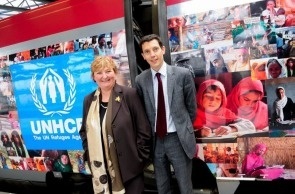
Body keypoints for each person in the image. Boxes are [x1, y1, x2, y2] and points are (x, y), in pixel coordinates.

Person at [79, 56, 151, 194]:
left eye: (108, 71)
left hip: (130, 168)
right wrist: (90, 151)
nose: (104, 76)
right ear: (93, 77)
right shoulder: (88, 100)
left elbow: (144, 129)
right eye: (99, 73)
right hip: (101, 170)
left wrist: (139, 158)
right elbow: (84, 130)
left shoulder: (129, 94)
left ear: (115, 72)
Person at [135, 34, 197, 194]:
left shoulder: (182, 74)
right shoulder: (140, 80)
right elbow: (142, 111)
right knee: (162, 188)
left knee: (185, 187)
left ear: (163, 49)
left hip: (178, 139)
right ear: (143, 56)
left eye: (155, 49)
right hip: (156, 141)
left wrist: (182, 128)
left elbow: (192, 109)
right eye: (147, 51)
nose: (152, 54)